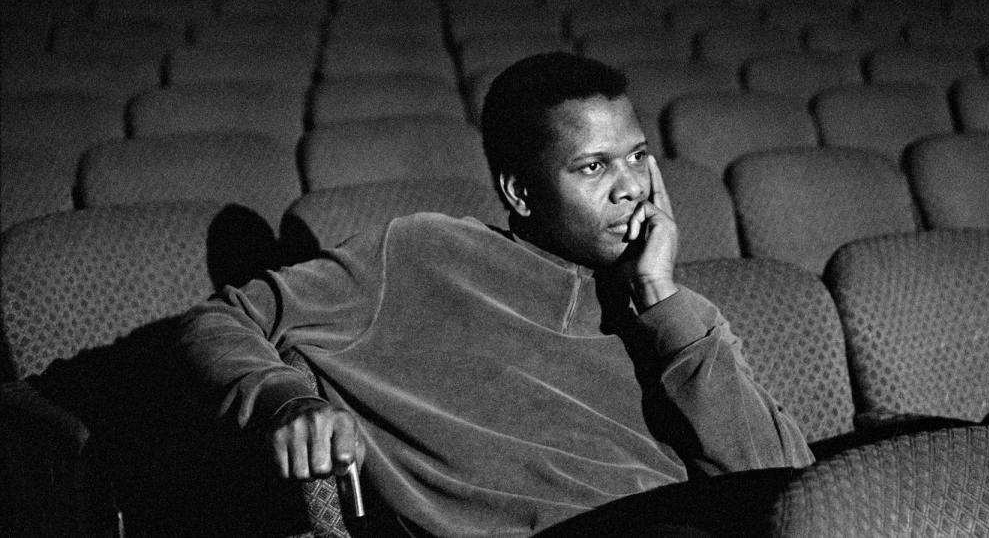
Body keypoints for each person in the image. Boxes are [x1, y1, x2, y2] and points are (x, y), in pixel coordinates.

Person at [180, 52, 814, 536]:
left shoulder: (668, 309)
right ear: (519, 193)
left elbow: (778, 482)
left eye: (639, 157)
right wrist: (284, 403)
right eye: (594, 167)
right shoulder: (419, 253)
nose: (632, 189)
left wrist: (659, 294)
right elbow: (220, 321)